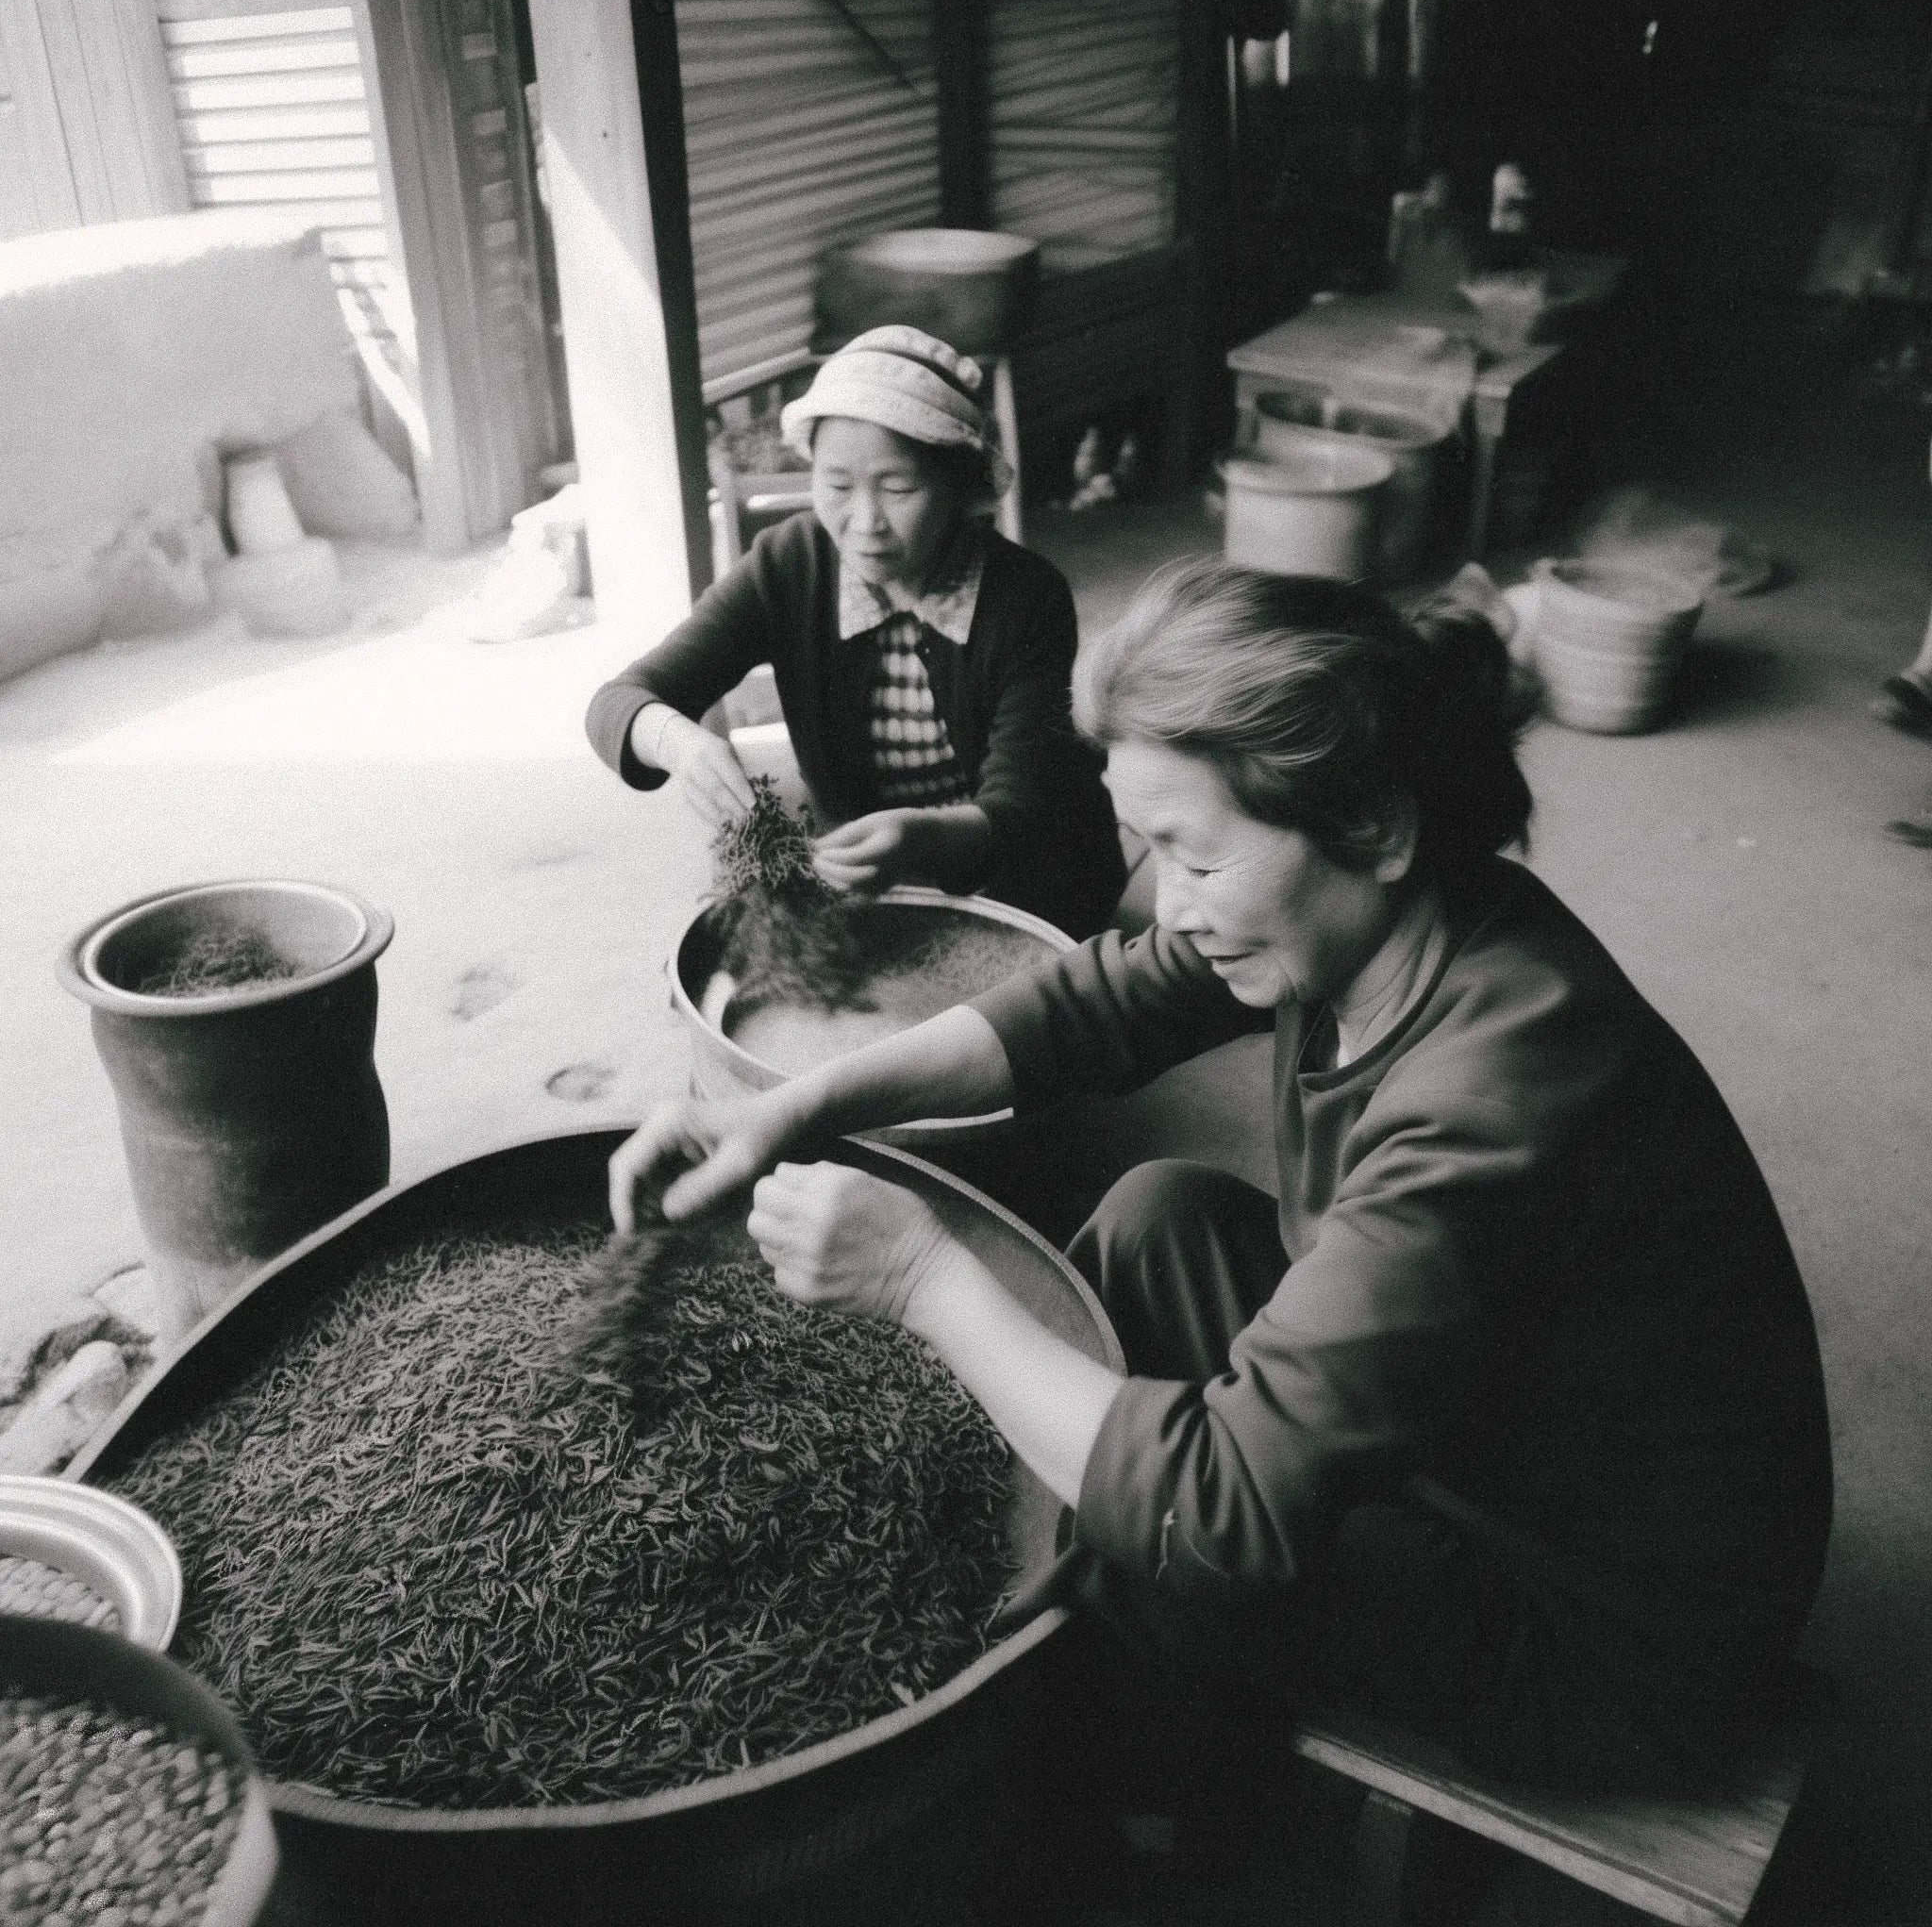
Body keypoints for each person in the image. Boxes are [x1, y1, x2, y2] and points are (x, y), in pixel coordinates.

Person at [608, 559, 1834, 1799]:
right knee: (1160, 1221)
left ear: (1378, 825)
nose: (1167, 903)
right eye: (1153, 851)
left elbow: (1230, 1506)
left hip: (1602, 1649)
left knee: (1160, 1544)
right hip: (1503, 1440)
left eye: (1192, 856)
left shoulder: (1494, 1090)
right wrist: (789, 1108)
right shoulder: (1356, 919)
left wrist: (923, 1276)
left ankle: (1146, 1786)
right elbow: (1095, 1001)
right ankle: (1129, 1653)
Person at [584, 324, 1125, 939]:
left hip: (1029, 877)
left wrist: (922, 836)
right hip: (870, 877)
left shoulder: (1026, 598)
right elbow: (618, 702)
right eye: (837, 486)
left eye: (898, 488)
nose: (865, 522)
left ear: (963, 489)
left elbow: (1026, 807)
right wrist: (678, 743)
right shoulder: (791, 564)